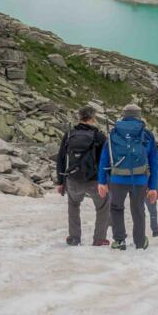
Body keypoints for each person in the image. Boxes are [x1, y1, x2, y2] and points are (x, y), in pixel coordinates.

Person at [97, 104, 158, 250]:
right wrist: (153, 187)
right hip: (140, 179)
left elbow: (104, 158)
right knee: (138, 210)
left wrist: (101, 181)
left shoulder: (113, 133)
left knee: (116, 208)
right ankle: (139, 242)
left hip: (117, 179)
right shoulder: (146, 134)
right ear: (139, 115)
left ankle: (119, 241)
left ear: (123, 115)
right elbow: (154, 163)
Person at [56, 105, 110, 246]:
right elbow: (106, 160)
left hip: (73, 179)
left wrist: (61, 182)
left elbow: (61, 158)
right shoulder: (99, 136)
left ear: (79, 117)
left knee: (73, 206)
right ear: (92, 118)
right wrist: (106, 181)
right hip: (94, 180)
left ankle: (74, 238)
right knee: (103, 207)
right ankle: (99, 239)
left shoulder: (69, 134)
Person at [145, 160, 158, 237]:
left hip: (138, 188)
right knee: (153, 211)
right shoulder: (156, 163)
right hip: (150, 190)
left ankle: (139, 232)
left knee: (138, 211)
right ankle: (155, 230)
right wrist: (157, 191)